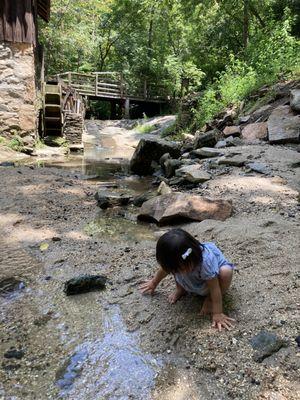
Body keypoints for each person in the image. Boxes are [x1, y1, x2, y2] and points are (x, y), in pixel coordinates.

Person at [140, 228, 235, 331]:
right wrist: (154, 283)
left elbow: (214, 288)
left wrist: (217, 313)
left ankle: (209, 299)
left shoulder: (206, 262)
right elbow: (165, 270)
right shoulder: (179, 264)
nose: (175, 271)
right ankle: (181, 289)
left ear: (191, 258)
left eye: (178, 269)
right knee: (178, 271)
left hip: (210, 282)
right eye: (173, 270)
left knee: (226, 272)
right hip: (192, 279)